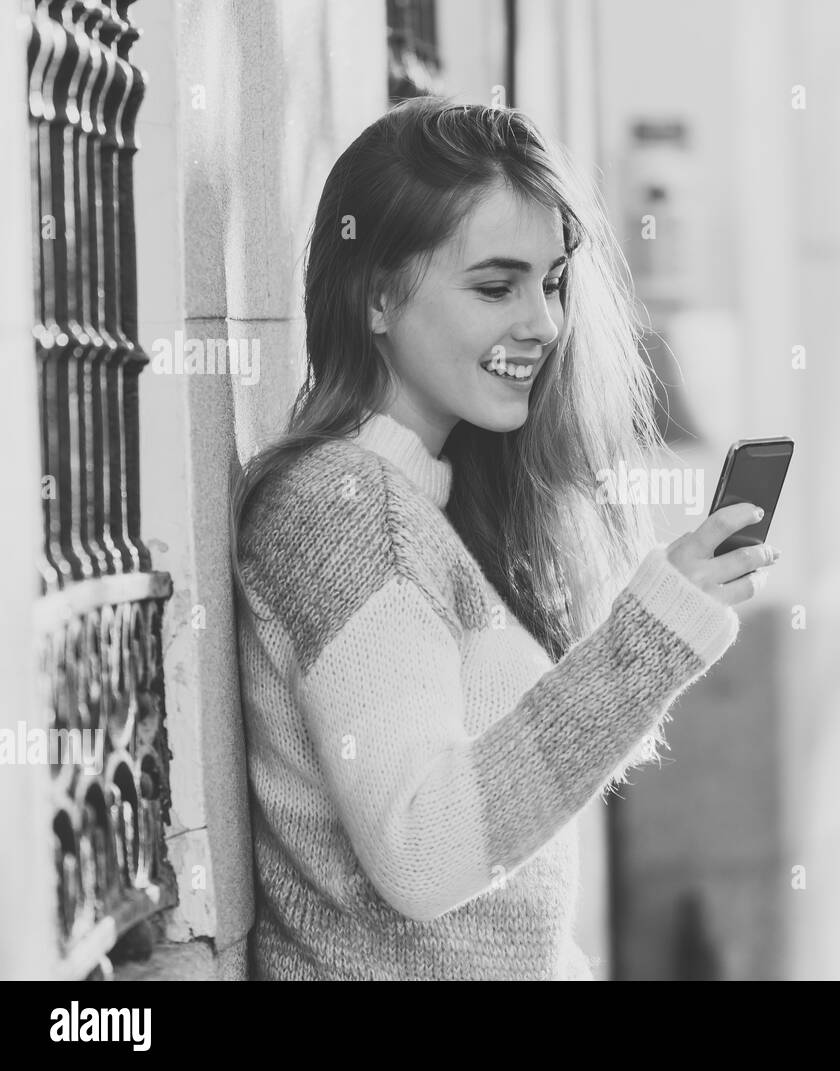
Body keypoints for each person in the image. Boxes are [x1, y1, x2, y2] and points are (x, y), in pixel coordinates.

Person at [229, 95, 782, 980]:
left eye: (553, 281)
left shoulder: (424, 505)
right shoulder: (342, 508)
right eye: (496, 286)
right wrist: (648, 640)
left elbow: (481, 927)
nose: (544, 323)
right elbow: (421, 845)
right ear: (376, 295)